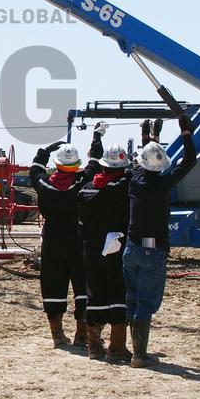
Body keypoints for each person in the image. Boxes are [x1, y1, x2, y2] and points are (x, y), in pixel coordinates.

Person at [124, 116, 197, 367]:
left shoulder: (134, 182)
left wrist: (148, 137)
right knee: (145, 302)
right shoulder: (164, 183)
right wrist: (186, 133)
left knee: (131, 299)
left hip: (131, 249)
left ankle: (131, 350)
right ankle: (140, 355)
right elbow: (189, 162)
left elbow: (145, 162)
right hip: (152, 251)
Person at [30, 123, 107, 347]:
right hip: (77, 239)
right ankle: (81, 334)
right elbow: (95, 162)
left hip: (52, 240)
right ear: (76, 166)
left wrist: (46, 150)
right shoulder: (82, 183)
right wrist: (96, 136)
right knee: (82, 285)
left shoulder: (44, 185)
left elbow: (35, 169)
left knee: (53, 284)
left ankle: (57, 334)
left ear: (57, 165)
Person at [77, 142, 132, 362]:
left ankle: (94, 346)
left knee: (95, 294)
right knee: (118, 294)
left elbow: (81, 221)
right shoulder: (123, 186)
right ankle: (116, 347)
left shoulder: (87, 188)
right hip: (115, 248)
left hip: (91, 249)